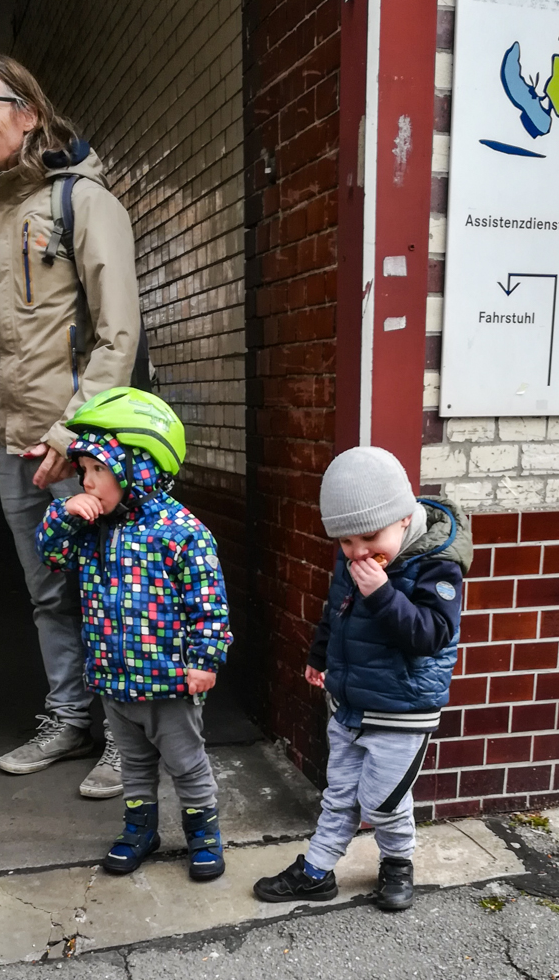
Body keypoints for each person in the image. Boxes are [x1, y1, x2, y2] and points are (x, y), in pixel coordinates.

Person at [0, 51, 143, 798]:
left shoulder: (84, 203)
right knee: (50, 596)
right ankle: (70, 720)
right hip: (19, 450)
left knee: (110, 595)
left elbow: (118, 339)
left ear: (29, 113)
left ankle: (127, 741)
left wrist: (69, 437)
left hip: (83, 454)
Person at [253, 447, 472, 911]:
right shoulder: (356, 559)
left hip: (402, 708)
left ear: (404, 518)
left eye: (369, 537)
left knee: (382, 802)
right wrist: (319, 655)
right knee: (339, 793)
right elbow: (337, 609)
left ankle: (397, 862)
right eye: (345, 542)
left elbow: (431, 635)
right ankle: (317, 871)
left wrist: (383, 593)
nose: (357, 552)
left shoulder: (437, 564)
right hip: (350, 702)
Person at [36, 387, 233, 881]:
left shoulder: (182, 532)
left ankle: (203, 834)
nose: (86, 481)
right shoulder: (92, 529)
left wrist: (204, 661)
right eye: (82, 470)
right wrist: (63, 514)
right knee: (134, 765)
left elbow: (209, 604)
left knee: (186, 763)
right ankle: (140, 829)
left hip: (169, 681)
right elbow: (52, 557)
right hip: (113, 677)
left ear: (138, 468)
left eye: (97, 470)